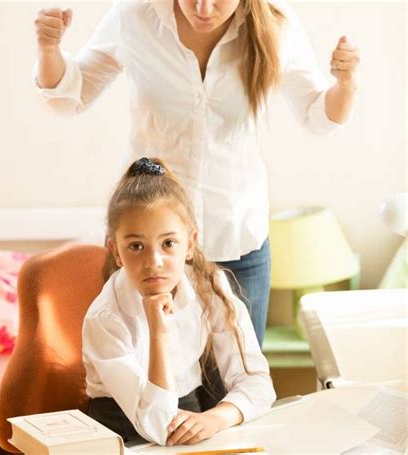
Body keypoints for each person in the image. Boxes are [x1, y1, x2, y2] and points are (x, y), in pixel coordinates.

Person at [34, 0, 360, 346]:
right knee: (147, 382)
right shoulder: (134, 16)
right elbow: (69, 97)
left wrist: (346, 84)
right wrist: (49, 49)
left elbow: (317, 116)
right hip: (149, 246)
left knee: (240, 385)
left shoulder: (277, 25)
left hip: (237, 243)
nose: (203, 9)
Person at [82, 157, 276, 446]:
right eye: (136, 246)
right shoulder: (105, 318)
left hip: (190, 415)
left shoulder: (209, 287)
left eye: (168, 243)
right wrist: (158, 332)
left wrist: (216, 418)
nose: (154, 262)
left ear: (190, 243)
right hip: (120, 428)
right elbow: (158, 427)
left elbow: (258, 384)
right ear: (116, 251)